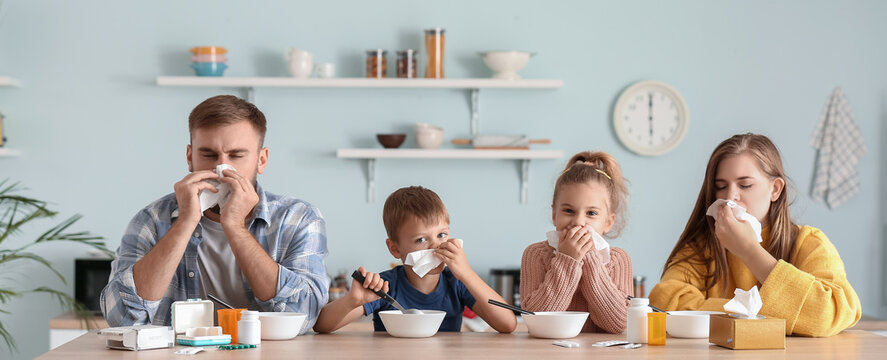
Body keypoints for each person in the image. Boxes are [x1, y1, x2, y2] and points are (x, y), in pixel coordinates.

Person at [101, 95, 329, 333]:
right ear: (190, 158)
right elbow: (122, 319)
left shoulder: (299, 219)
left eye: (237, 156)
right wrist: (185, 223)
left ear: (261, 160)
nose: (221, 170)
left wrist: (236, 228)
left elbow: (303, 315)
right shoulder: (151, 221)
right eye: (209, 155)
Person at [649, 133, 861, 337]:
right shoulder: (701, 248)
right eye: (721, 187)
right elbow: (664, 302)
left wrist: (749, 250)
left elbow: (829, 312)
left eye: (745, 185)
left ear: (775, 190)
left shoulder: (809, 243)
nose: (730, 197)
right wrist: (755, 313)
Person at [313, 186, 516, 333]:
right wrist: (352, 301)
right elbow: (321, 325)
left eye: (442, 235)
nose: (436, 246)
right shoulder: (385, 287)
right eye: (421, 239)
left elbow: (507, 324)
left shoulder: (457, 284)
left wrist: (467, 273)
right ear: (395, 248)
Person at [520, 151, 633, 333]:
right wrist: (567, 260)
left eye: (591, 213)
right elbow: (538, 322)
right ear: (554, 214)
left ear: (608, 222)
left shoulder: (618, 260)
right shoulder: (535, 255)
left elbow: (619, 323)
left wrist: (589, 259)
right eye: (569, 211)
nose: (579, 222)